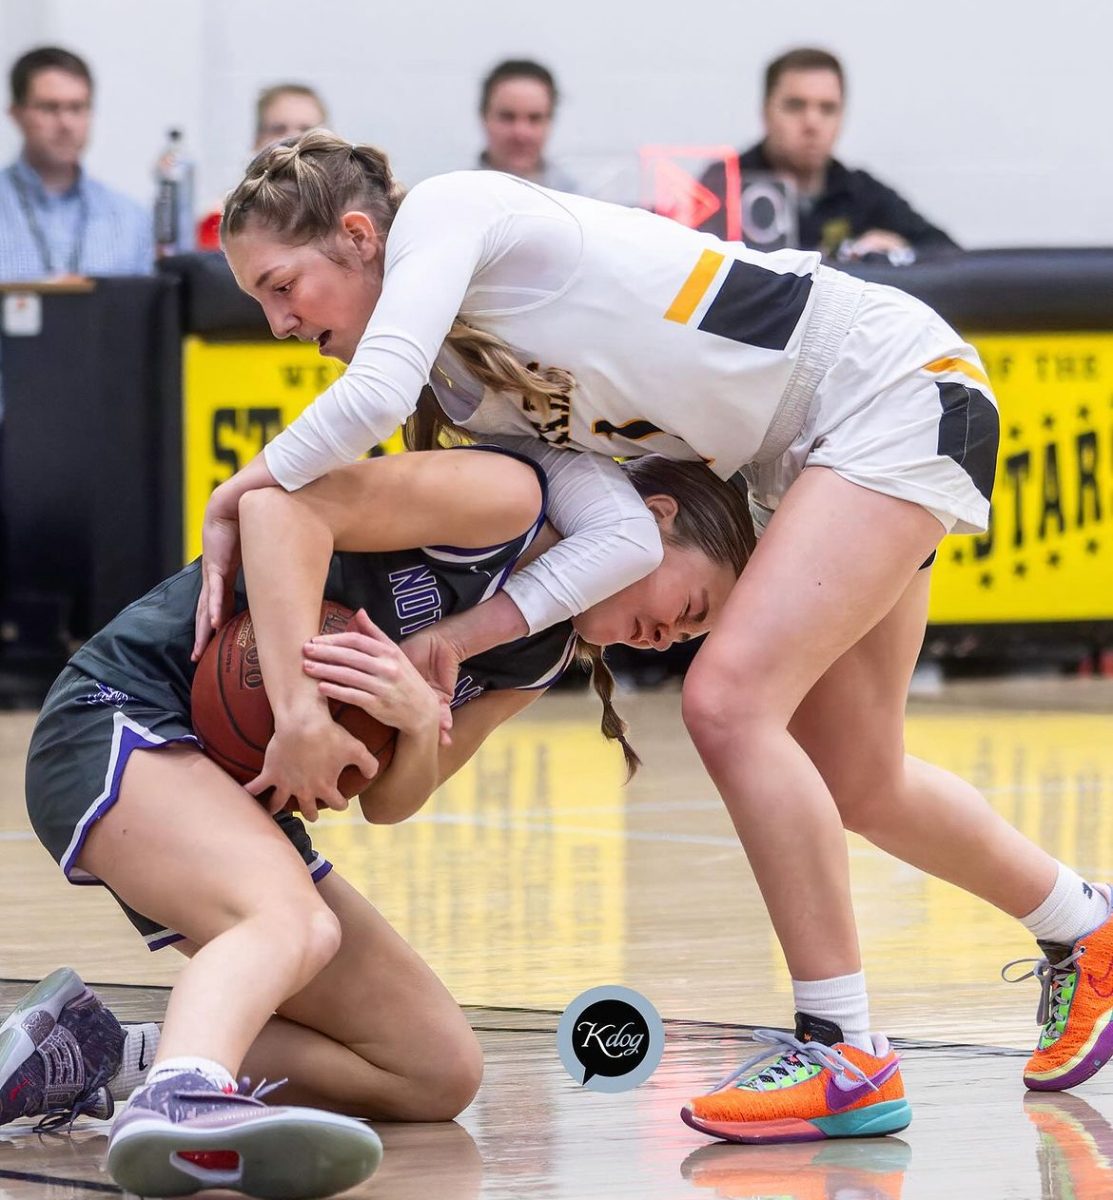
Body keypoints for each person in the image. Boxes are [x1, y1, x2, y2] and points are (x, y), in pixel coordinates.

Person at [199, 131, 1112, 1145]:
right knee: (860, 775)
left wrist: (244, 487)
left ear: (359, 236)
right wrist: (454, 638)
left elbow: (368, 397)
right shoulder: (469, 388)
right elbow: (623, 534)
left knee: (727, 703)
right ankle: (1087, 928)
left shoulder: (455, 212)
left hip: (878, 384)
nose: (280, 323)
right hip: (814, 447)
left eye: (283, 287)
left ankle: (844, 1050)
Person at [4, 444, 751, 1195]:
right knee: (291, 922)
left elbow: (389, 803)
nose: (665, 639)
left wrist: (418, 723)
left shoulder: (540, 657)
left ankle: (101, 1052)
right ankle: (178, 1102)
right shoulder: (507, 503)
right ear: (651, 520)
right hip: (127, 711)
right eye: (687, 608)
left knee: (431, 1069)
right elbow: (277, 508)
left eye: (686, 641)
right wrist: (298, 713)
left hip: (231, 782)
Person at [699, 47, 958, 260]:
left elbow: (951, 257)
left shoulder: (859, 191)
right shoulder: (723, 186)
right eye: (795, 106)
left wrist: (900, 251)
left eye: (827, 109)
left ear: (842, 117)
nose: (812, 123)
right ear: (766, 112)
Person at [0, 46, 153, 279]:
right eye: (49, 108)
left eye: (77, 107)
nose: (65, 124)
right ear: (16, 113)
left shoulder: (131, 219)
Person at [196, 82, 330, 250]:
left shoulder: (349, 216)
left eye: (306, 129)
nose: (293, 139)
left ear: (329, 141)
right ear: (257, 141)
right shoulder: (220, 221)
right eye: (278, 129)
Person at [476, 58, 578, 192]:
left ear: (550, 121)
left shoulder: (581, 203)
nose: (521, 133)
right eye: (507, 117)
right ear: (484, 117)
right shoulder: (450, 198)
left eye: (534, 118)